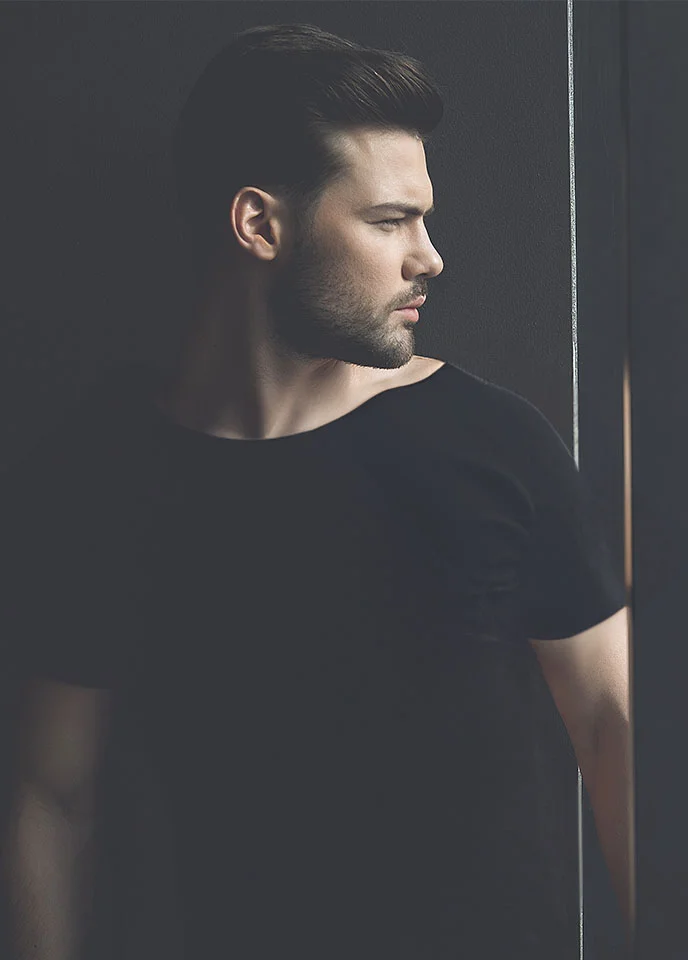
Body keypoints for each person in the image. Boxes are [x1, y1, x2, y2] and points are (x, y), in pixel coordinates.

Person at [3, 23, 632, 960]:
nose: (430, 257)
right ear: (260, 223)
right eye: (389, 222)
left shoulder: (493, 444)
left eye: (424, 219)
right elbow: (51, 796)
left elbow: (612, 725)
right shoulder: (105, 469)